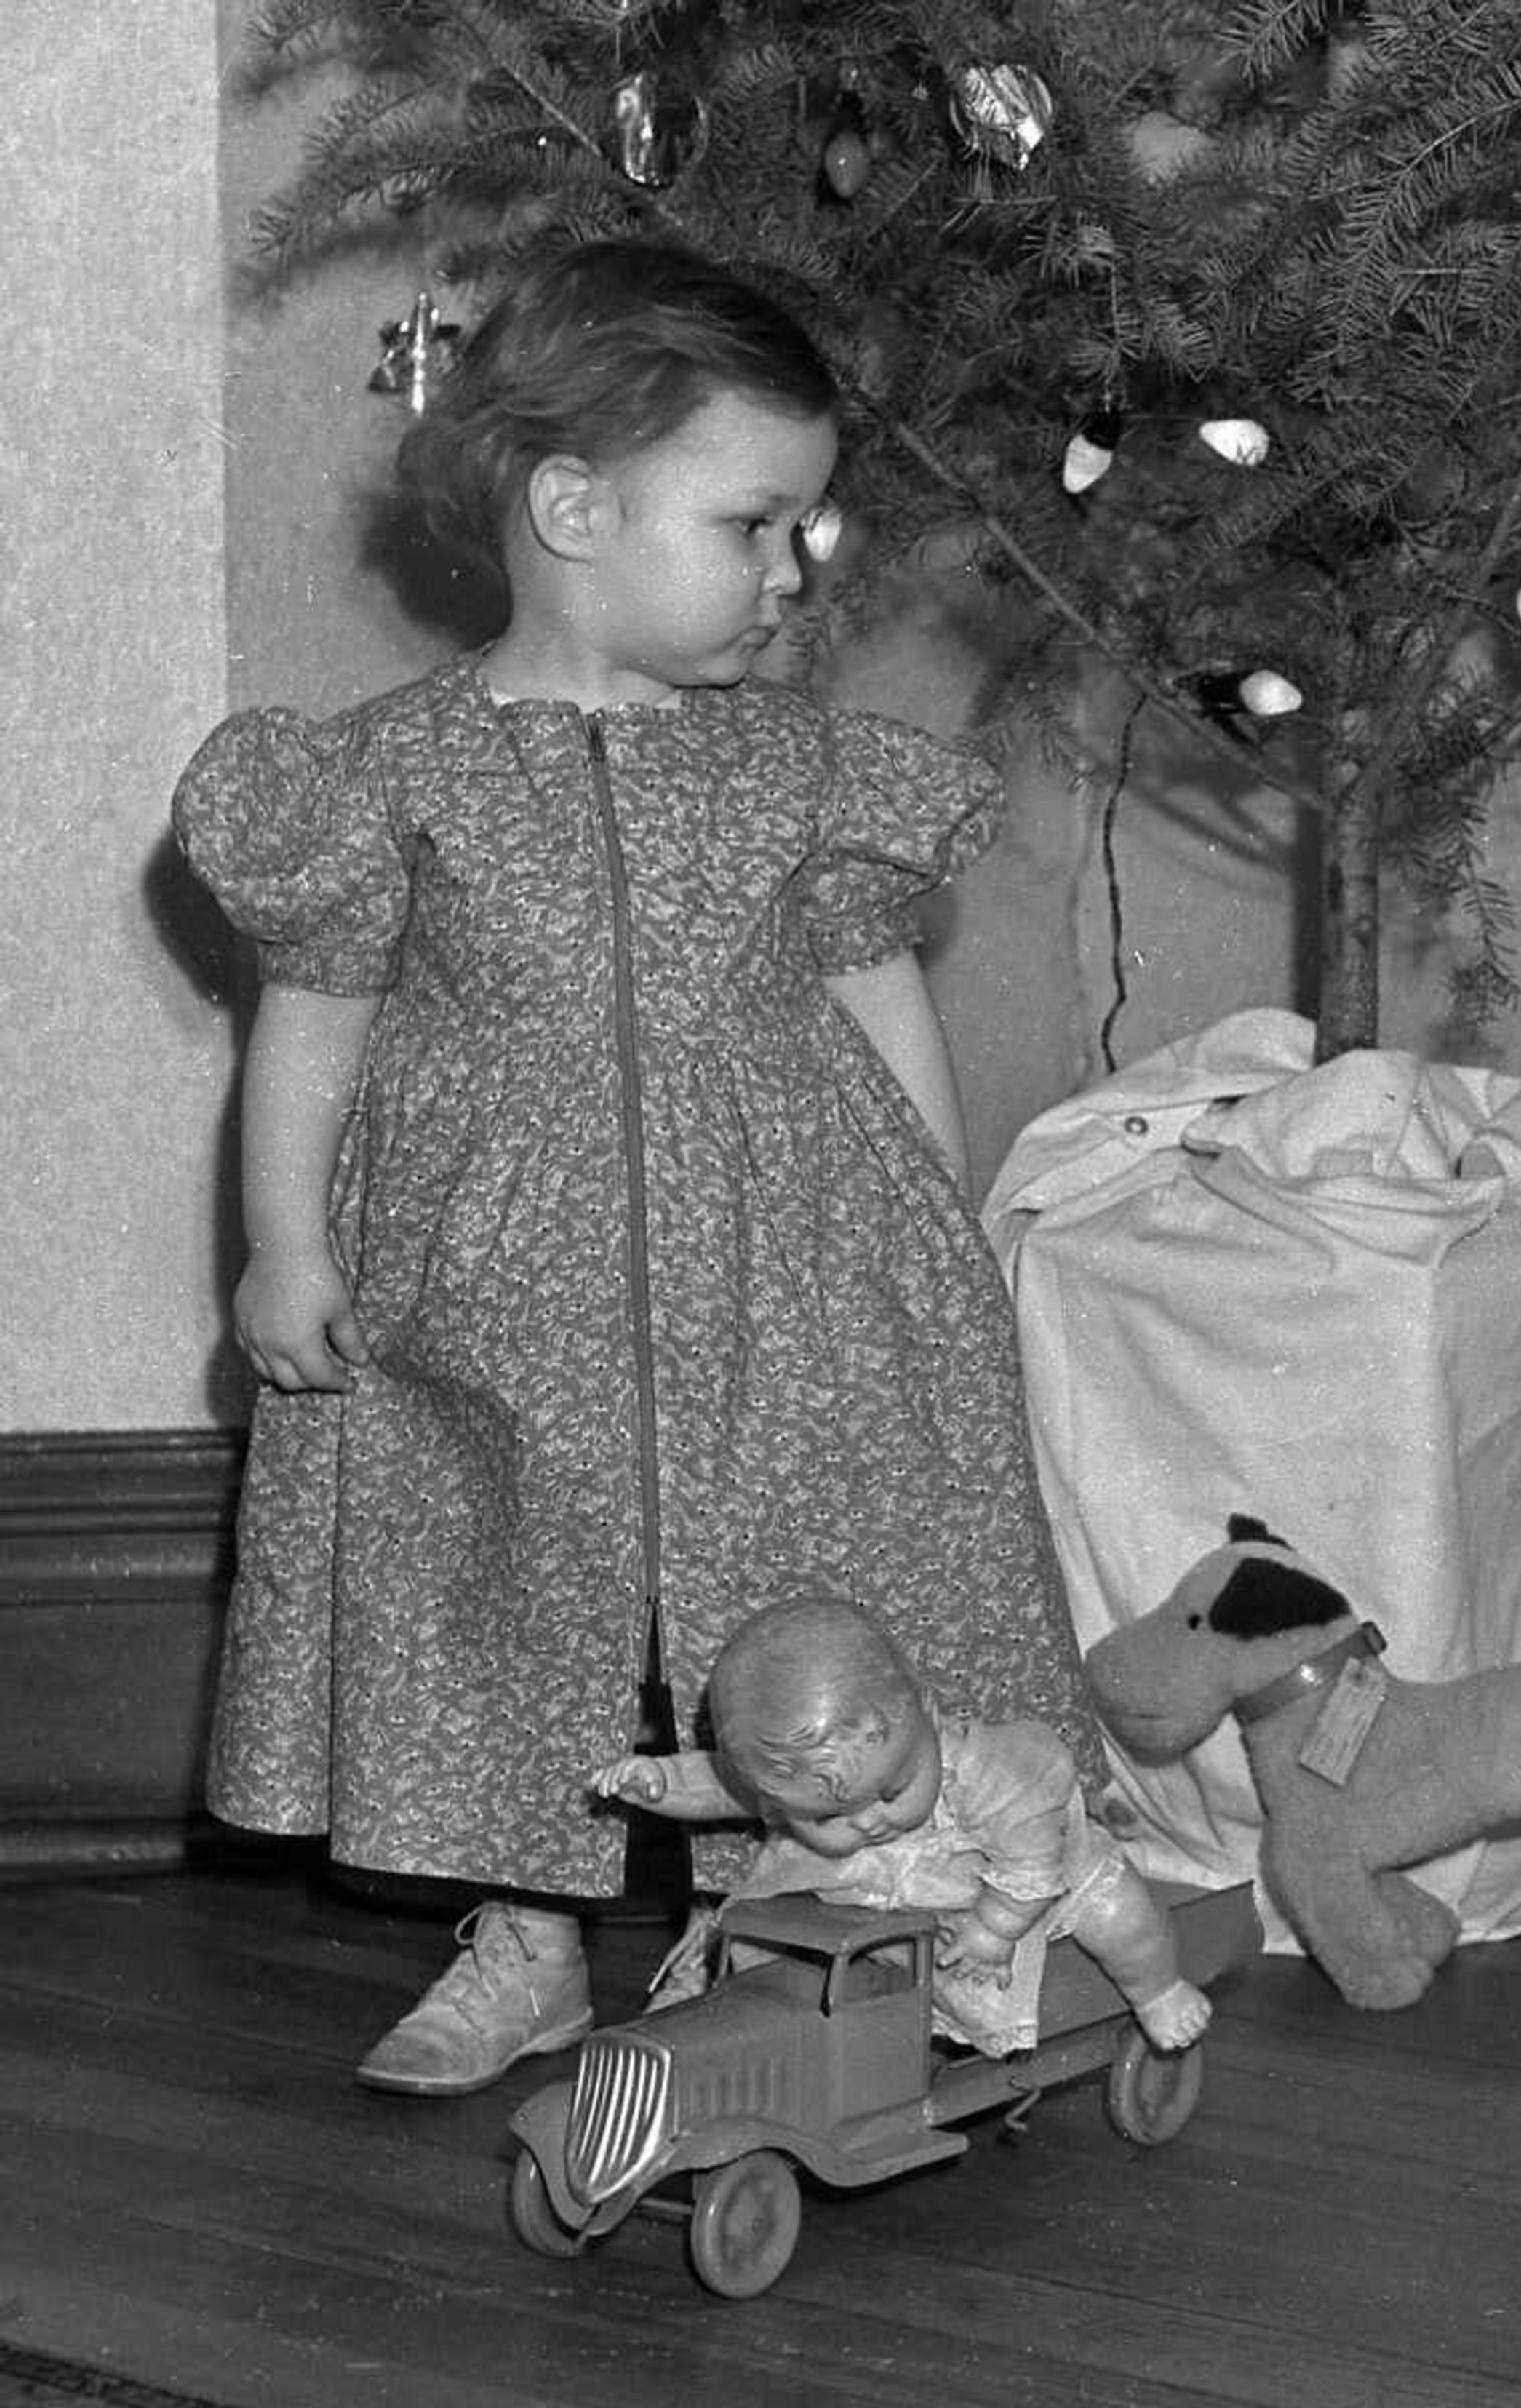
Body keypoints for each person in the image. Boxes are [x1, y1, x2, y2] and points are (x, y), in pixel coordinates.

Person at [173, 239, 1094, 2097]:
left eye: (803, 531)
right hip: (489, 1289)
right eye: (754, 524)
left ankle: (781, 1936)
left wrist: (941, 1220)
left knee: (798, 1577)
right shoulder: (380, 775)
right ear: (575, 506)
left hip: (789, 1265)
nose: (788, 572)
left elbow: (876, 991)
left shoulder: (805, 773)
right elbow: (319, 1019)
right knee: (504, 1592)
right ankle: (522, 1941)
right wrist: (281, 1246)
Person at [594, 1598, 1210, 2056]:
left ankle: (1158, 1990)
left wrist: (995, 1928)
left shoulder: (985, 1770)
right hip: (887, 1907)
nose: (870, 1823)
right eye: (829, 1817)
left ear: (927, 1711)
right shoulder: (785, 1786)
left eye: (892, 1790)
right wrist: (659, 1784)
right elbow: (717, 1783)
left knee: (1117, 1915)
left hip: (1010, 1883)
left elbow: (1030, 1855)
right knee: (789, 1947)